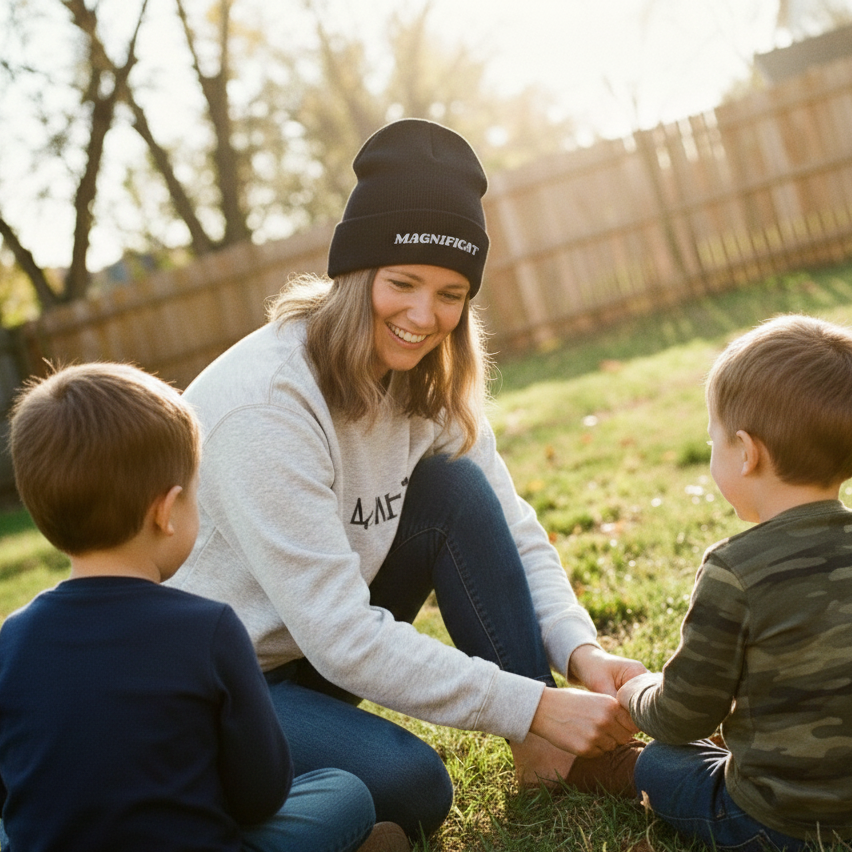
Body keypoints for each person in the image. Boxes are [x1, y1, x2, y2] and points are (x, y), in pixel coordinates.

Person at [166, 118, 647, 842]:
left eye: (451, 293)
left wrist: (582, 651)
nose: (425, 317)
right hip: (212, 685)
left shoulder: (426, 381)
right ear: (356, 275)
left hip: (301, 652)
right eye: (403, 283)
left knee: (455, 490)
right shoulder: (268, 404)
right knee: (411, 787)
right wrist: (528, 704)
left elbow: (512, 531)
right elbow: (341, 636)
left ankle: (547, 754)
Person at [0, 362, 381, 852]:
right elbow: (262, 797)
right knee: (344, 793)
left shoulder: (11, 640)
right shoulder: (209, 628)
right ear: (166, 511)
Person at [617, 314, 852, 851]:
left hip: (777, 825)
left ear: (747, 452)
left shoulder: (735, 570)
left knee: (662, 759)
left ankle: (619, 774)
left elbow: (684, 715)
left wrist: (636, 693)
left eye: (714, 442)